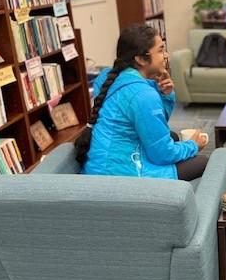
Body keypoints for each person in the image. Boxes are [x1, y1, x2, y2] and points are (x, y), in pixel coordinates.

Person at [76, 23, 208, 181]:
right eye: (160, 50)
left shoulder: (109, 78)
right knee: (203, 162)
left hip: (101, 165)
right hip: (119, 175)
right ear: (140, 59)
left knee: (172, 137)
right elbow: (162, 154)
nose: (166, 55)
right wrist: (193, 145)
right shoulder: (142, 95)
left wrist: (164, 95)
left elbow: (154, 128)